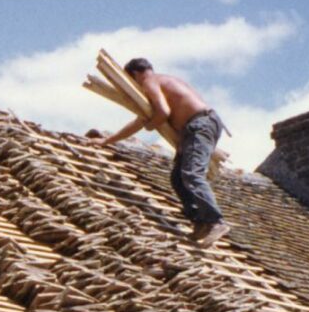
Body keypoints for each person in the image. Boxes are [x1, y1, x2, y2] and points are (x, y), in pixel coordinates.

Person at [94, 58, 231, 247]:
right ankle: (200, 222)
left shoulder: (151, 82)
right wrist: (108, 141)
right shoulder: (166, 81)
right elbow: (140, 121)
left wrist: (152, 125)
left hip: (199, 125)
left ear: (134, 75)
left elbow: (162, 112)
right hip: (197, 127)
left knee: (192, 174)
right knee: (178, 178)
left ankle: (216, 221)